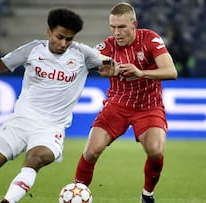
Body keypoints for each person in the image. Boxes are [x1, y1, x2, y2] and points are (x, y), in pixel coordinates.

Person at [0, 8, 118, 203]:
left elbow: (109, 63)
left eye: (69, 39)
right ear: (49, 32)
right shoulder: (32, 50)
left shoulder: (82, 53)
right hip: (21, 122)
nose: (64, 44)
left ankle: (7, 201)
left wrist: (110, 68)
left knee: (35, 159)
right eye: (60, 37)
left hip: (51, 128)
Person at [74, 2, 178, 203]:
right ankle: (76, 194)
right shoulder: (106, 47)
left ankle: (147, 195)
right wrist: (101, 68)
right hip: (117, 105)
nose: (116, 33)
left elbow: (171, 72)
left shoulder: (150, 39)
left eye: (121, 27)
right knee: (91, 151)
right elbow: (84, 64)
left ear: (134, 25)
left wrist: (141, 73)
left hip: (149, 106)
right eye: (113, 27)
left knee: (156, 151)